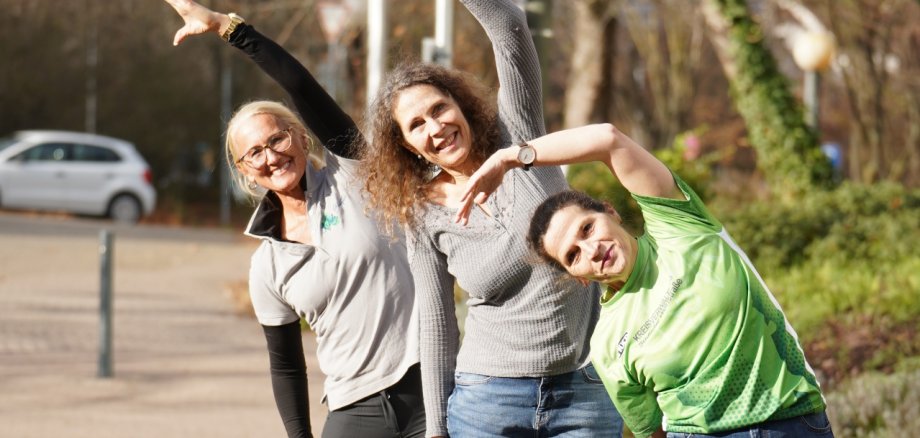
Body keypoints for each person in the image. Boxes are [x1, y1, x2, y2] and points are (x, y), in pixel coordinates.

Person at [458, 122, 832, 438]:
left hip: (792, 421)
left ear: (611, 212)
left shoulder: (678, 226)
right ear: (579, 278)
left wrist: (511, 157)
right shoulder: (606, 345)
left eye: (587, 228)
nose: (591, 249)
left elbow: (608, 139)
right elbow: (651, 430)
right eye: (573, 255)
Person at [360, 1, 623, 437]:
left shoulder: (518, 137)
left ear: (460, 104)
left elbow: (510, 27)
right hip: (489, 401)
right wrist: (437, 428)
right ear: (406, 145)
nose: (435, 127)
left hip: (584, 392)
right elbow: (438, 323)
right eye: (417, 125)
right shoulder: (423, 214)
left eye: (439, 109)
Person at [161, 1, 424, 437]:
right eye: (254, 153)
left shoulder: (353, 176)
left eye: (277, 139)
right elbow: (285, 365)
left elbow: (300, 85)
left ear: (301, 137)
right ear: (244, 170)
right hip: (354, 409)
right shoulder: (267, 266)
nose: (271, 156)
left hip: (429, 390)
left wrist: (228, 27)